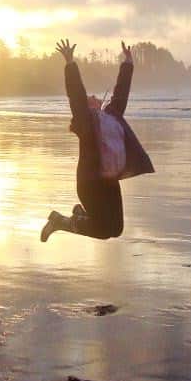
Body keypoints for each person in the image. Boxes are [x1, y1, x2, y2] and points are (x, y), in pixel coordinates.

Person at [40, 39, 154, 242]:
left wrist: (128, 63)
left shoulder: (112, 115)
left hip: (109, 182)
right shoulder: (85, 121)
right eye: (90, 97)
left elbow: (121, 93)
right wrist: (70, 63)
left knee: (116, 230)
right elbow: (76, 94)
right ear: (88, 105)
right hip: (90, 182)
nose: (93, 96)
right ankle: (60, 221)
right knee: (102, 231)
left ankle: (81, 216)